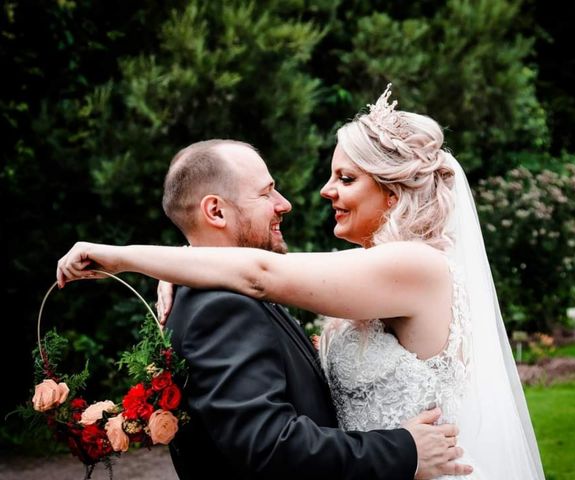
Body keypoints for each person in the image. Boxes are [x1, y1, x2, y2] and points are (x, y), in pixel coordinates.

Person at [57, 85, 545, 479]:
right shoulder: (371, 282)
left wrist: (121, 258)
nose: (321, 191)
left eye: (346, 179)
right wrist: (187, 262)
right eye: (269, 191)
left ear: (393, 193)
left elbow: (261, 274)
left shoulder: (416, 266)